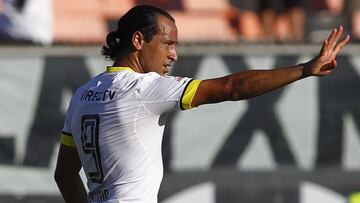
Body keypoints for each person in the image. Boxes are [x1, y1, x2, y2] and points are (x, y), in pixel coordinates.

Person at [54, 5, 350, 203]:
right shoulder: (145, 89)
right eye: (167, 43)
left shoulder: (82, 94)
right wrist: (304, 70)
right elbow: (232, 88)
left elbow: (64, 174)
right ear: (138, 40)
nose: (173, 54)